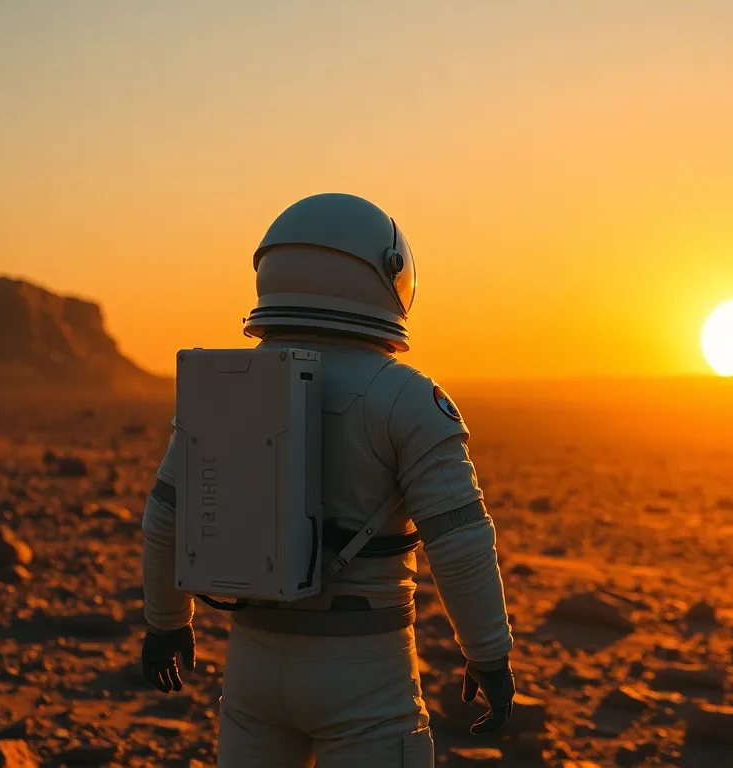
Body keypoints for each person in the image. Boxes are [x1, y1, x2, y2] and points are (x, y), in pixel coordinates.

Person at [138, 193, 516, 766]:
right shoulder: (407, 397)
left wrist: (167, 622)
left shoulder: (226, 385)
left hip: (253, 668)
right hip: (365, 669)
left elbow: (167, 515)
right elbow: (460, 540)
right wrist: (488, 653)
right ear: (384, 273)